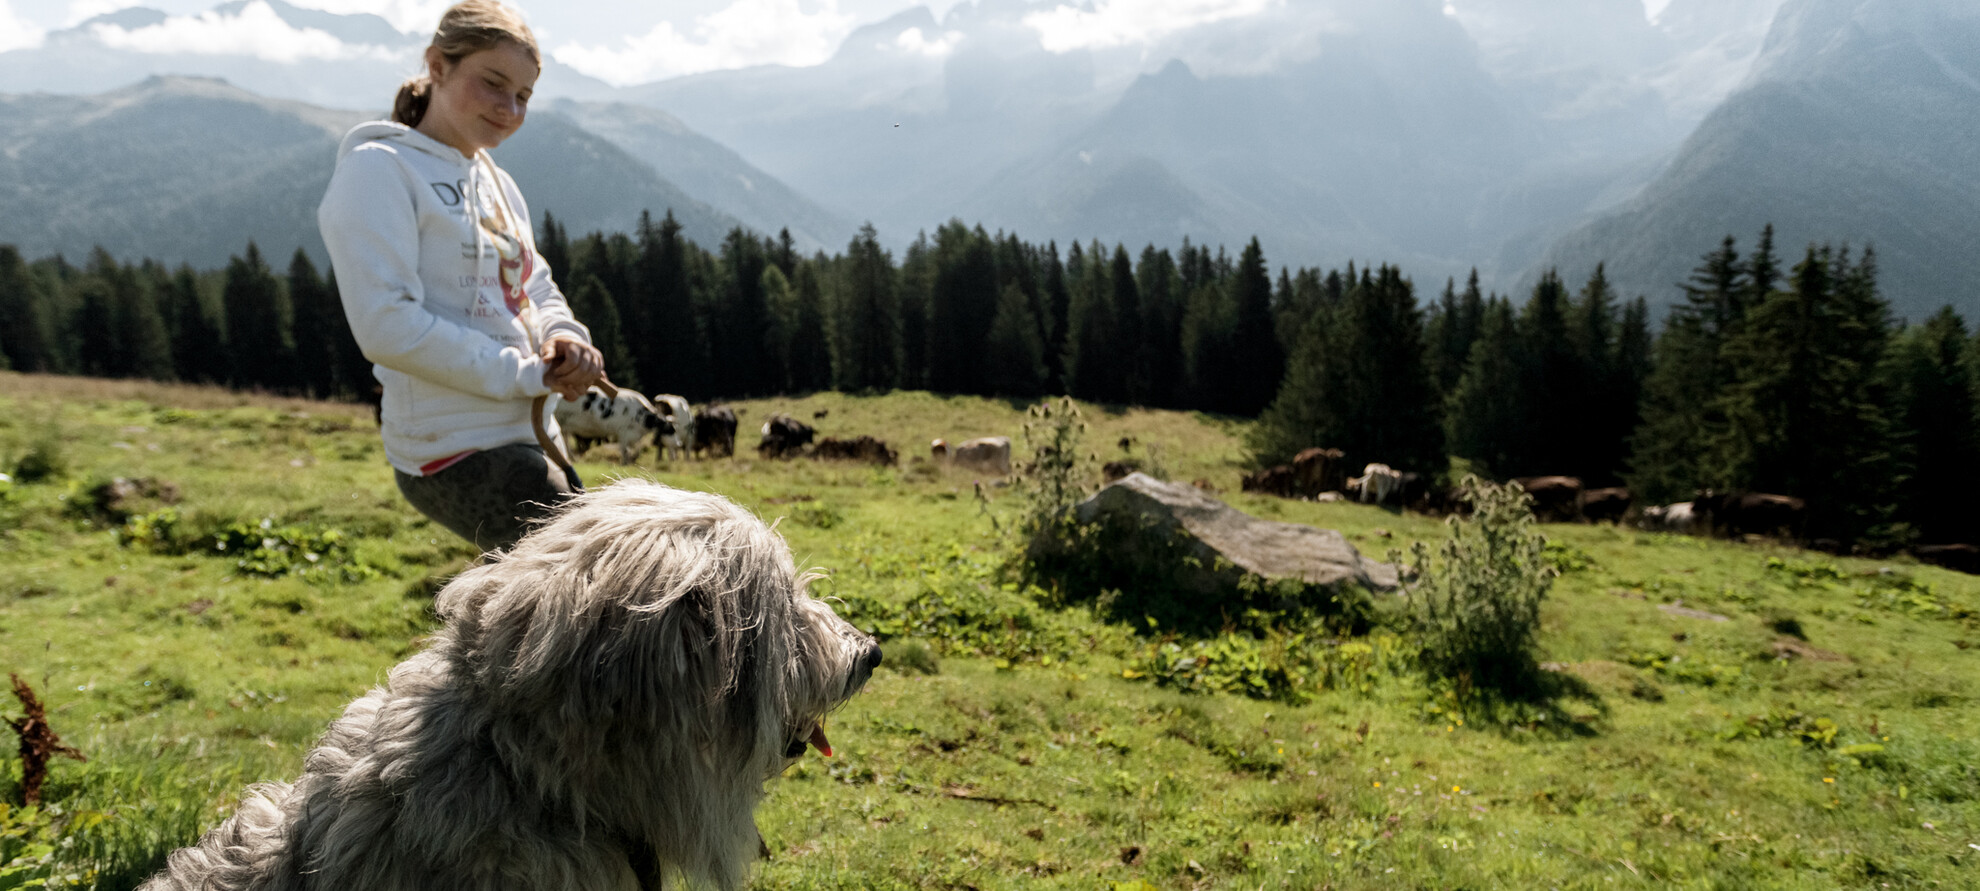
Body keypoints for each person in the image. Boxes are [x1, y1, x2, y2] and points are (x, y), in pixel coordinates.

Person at [318, 0, 602, 552]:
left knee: (587, 589)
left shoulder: (497, 181)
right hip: (449, 446)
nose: (509, 109)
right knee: (594, 592)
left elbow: (532, 283)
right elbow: (387, 326)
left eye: (523, 96)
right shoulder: (379, 170)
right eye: (494, 83)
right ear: (438, 66)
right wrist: (524, 375)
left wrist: (565, 337)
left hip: (529, 435)